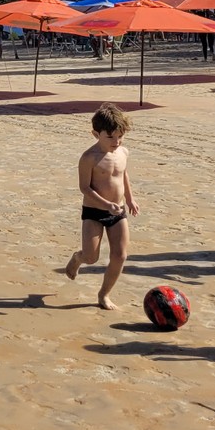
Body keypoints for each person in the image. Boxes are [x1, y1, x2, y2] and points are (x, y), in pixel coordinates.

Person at [63, 104, 138, 310]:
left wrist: (130, 199)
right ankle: (77, 258)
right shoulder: (89, 158)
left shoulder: (123, 152)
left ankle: (103, 294)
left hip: (118, 211)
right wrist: (106, 204)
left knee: (120, 255)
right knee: (91, 257)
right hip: (94, 212)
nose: (116, 142)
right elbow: (84, 188)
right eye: (110, 137)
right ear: (96, 134)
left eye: (120, 136)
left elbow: (123, 175)